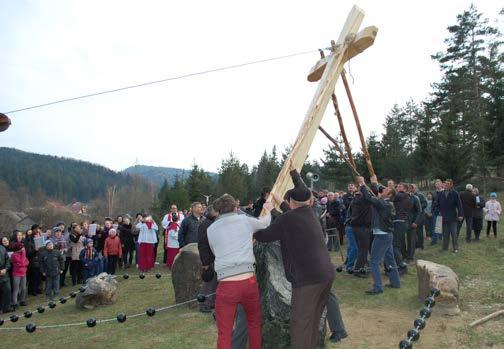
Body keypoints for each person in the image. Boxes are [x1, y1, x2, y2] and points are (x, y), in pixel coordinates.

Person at [254, 165, 335, 349]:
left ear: (291, 202)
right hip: (325, 275)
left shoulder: (288, 219)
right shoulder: (311, 212)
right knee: (312, 320)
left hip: (308, 281)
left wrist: (254, 224)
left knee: (300, 324)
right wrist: (293, 174)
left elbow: (263, 236)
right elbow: (292, 209)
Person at [208, 194, 273, 349]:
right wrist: (268, 209)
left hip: (226, 283)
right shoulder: (244, 220)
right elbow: (264, 223)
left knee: (224, 332)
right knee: (254, 324)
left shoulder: (210, 229)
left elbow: (214, 250)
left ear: (218, 210)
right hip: (248, 281)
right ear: (235, 207)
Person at [357, 176, 401, 295]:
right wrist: (373, 184)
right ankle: (395, 282)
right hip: (386, 235)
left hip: (382, 235)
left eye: (386, 190)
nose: (383, 190)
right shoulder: (386, 203)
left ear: (389, 195)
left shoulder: (384, 204)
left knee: (374, 261)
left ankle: (378, 287)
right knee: (390, 259)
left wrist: (362, 184)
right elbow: (374, 197)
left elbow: (369, 197)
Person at [197, 206, 218, 313]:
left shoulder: (212, 223)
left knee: (214, 282)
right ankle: (204, 304)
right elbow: (202, 244)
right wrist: (205, 262)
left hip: (214, 257)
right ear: (210, 212)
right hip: (209, 258)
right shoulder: (205, 225)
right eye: (215, 210)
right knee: (208, 282)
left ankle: (211, 303)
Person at [437, 179, 464, 252]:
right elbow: (437, 204)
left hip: (453, 217)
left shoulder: (455, 193)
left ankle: (455, 248)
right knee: (445, 234)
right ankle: (445, 248)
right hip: (444, 217)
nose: (446, 185)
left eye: (448, 184)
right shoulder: (440, 194)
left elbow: (459, 204)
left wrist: (460, 214)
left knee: (454, 233)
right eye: (445, 184)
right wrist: (439, 211)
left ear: (451, 185)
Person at [342, 183, 358, 272]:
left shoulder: (358, 194)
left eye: (352, 186)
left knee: (352, 245)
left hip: (355, 223)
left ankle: (349, 261)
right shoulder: (346, 196)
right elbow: (347, 204)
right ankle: (349, 262)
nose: (351, 187)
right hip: (349, 221)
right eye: (349, 186)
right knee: (352, 245)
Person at [10, 242, 29, 309]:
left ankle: (22, 300)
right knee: (16, 289)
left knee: (24, 288)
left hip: (23, 273)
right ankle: (15, 302)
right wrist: (23, 254)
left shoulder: (22, 254)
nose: (23, 249)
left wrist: (23, 263)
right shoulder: (14, 255)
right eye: (21, 248)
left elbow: (27, 262)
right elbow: (22, 262)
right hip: (16, 274)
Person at [0, 240, 12, 314]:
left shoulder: (2, 248)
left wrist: (6, 269)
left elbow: (7, 259)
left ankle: (6, 308)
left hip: (4, 274)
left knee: (7, 290)